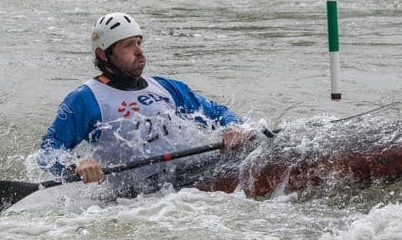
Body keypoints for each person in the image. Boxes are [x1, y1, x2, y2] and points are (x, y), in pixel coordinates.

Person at [36, 12, 251, 197]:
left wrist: (233, 128)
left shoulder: (166, 87)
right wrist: (77, 165)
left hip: (191, 173)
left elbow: (217, 113)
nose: (139, 51)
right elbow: (48, 151)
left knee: (260, 153)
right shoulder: (85, 99)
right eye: (129, 45)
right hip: (137, 192)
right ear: (103, 55)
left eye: (139, 43)